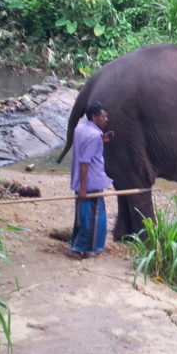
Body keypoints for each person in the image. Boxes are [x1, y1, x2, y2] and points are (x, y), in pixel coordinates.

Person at [68, 101, 114, 259]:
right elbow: (85, 162)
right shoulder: (94, 135)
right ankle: (84, 249)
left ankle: (82, 246)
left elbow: (84, 147)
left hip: (85, 182)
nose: (106, 119)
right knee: (92, 218)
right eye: (104, 116)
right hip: (90, 183)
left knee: (83, 216)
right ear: (94, 117)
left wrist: (102, 140)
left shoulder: (81, 129)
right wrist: (83, 188)